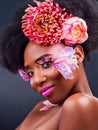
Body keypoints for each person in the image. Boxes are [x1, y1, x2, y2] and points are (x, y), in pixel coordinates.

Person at [0, 0, 98, 129]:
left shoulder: (80, 104)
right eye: (30, 73)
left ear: (78, 55)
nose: (36, 80)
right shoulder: (42, 107)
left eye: (46, 63)